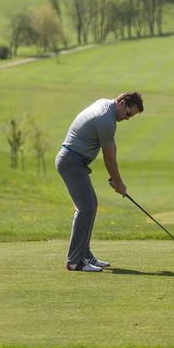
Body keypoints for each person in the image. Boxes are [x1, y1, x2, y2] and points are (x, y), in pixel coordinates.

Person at [56, 91, 143, 272]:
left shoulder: (106, 106)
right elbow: (109, 159)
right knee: (86, 207)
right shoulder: (106, 120)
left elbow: (111, 145)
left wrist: (116, 179)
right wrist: (119, 184)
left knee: (90, 205)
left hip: (74, 161)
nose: (127, 119)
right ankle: (74, 261)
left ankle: (85, 256)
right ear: (121, 102)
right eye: (128, 114)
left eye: (131, 117)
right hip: (71, 162)